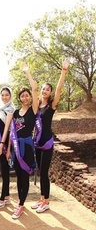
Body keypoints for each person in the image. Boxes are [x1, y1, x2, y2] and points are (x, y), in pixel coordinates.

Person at [32, 58, 70, 213]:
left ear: (50, 92)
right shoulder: (37, 106)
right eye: (43, 88)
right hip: (37, 142)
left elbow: (60, 89)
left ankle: (46, 201)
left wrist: (64, 71)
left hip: (47, 142)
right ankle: (42, 198)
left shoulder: (51, 106)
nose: (44, 91)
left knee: (45, 173)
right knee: (40, 171)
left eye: (47, 89)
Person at [10, 63, 39, 219]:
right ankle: (21, 202)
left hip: (27, 146)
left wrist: (27, 72)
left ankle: (20, 205)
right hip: (16, 147)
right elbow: (11, 131)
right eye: (23, 96)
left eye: (27, 95)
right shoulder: (15, 113)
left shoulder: (33, 110)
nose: (25, 97)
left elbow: (35, 90)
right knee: (19, 175)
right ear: (20, 98)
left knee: (25, 175)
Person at [0, 86, 15, 211]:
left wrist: (4, 147)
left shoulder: (11, 110)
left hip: (4, 144)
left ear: (10, 96)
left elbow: (8, 130)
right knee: (3, 170)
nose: (5, 97)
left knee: (5, 172)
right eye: (3, 95)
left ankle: (1, 200)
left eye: (7, 95)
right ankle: (7, 197)